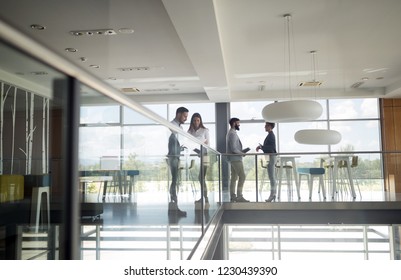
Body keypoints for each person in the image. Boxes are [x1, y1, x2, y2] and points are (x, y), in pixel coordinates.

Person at [167, 106, 189, 217]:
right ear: (179, 114)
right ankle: (174, 207)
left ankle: (174, 206)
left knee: (176, 181)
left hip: (176, 156)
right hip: (173, 157)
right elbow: (171, 142)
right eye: (185, 116)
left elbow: (175, 143)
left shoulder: (178, 127)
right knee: (175, 181)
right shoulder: (173, 126)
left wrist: (181, 148)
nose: (186, 118)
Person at [187, 113, 210, 204]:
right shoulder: (190, 132)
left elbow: (208, 144)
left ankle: (205, 197)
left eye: (198, 120)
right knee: (199, 178)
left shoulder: (205, 130)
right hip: (195, 156)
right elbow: (188, 144)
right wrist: (197, 150)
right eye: (194, 120)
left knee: (201, 177)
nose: (196, 122)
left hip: (205, 155)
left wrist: (199, 146)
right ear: (192, 121)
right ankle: (204, 197)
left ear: (200, 121)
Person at [226, 117, 250, 202]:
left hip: (233, 158)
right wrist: (242, 153)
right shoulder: (232, 134)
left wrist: (241, 152)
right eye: (238, 123)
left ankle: (233, 196)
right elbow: (233, 149)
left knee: (234, 177)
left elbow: (234, 148)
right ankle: (239, 196)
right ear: (234, 124)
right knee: (242, 176)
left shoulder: (232, 133)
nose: (239, 125)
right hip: (235, 158)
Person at [256, 122, 277, 202]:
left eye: (266, 126)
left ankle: (273, 195)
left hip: (271, 157)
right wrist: (261, 147)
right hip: (270, 157)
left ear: (270, 127)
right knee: (271, 177)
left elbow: (271, 147)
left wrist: (261, 147)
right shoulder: (270, 135)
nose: (265, 127)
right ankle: (273, 194)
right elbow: (269, 147)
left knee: (272, 177)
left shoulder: (271, 135)